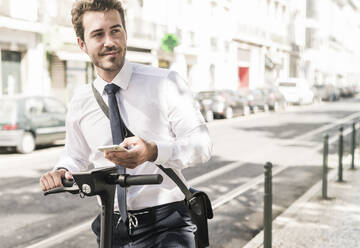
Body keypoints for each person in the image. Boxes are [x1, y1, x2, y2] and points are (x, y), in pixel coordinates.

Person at [39, 0, 212, 247]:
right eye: (98, 34)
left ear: (125, 33)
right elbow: (74, 156)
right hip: (111, 226)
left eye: (115, 30)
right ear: (82, 44)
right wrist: (61, 171)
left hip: (167, 222)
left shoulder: (166, 83)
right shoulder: (80, 101)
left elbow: (201, 145)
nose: (110, 41)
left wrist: (153, 151)